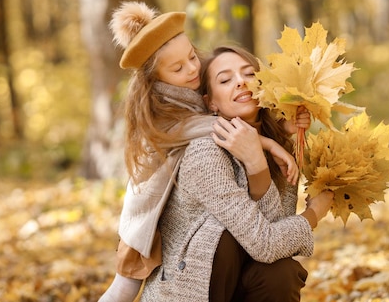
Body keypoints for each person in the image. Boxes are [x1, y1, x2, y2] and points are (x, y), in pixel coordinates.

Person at [99, 2, 304, 302]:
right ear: (158, 79)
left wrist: (284, 134)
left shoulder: (197, 90)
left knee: (276, 268)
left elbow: (278, 225)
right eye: (179, 68)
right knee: (124, 286)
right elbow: (206, 128)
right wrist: (265, 143)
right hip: (143, 215)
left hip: (199, 231)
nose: (193, 68)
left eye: (192, 57)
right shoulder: (163, 109)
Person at [139, 45, 334, 302]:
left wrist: (262, 161)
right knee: (225, 235)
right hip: (188, 290)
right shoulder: (204, 151)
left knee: (281, 271)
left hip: (237, 283)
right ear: (211, 103)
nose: (241, 82)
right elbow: (267, 243)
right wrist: (314, 213)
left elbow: (277, 242)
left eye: (249, 74)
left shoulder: (280, 149)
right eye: (225, 79)